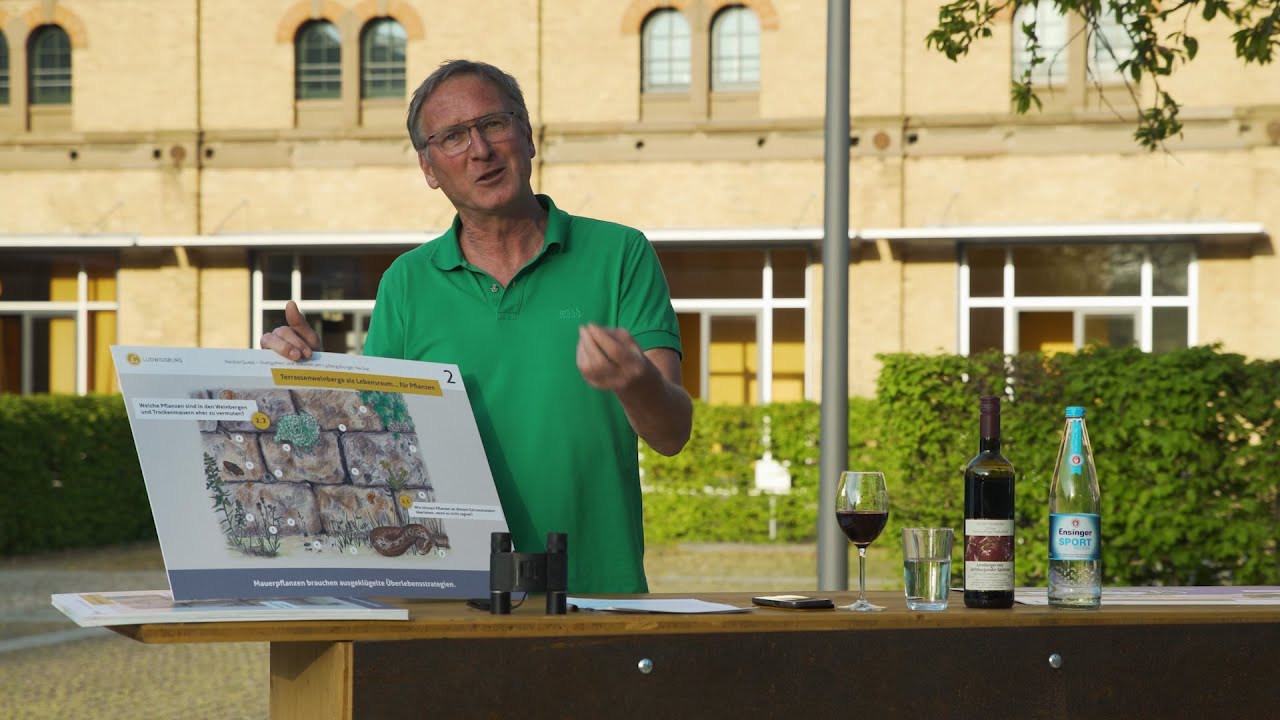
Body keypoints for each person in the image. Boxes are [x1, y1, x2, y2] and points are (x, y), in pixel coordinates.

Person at [260, 59, 693, 594]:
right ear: (428, 168)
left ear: (528, 136)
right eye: (453, 136)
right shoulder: (406, 283)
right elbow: (377, 451)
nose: (480, 149)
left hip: (593, 591)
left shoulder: (620, 254)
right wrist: (311, 379)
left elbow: (672, 434)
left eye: (493, 123)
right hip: (447, 594)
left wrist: (635, 381)